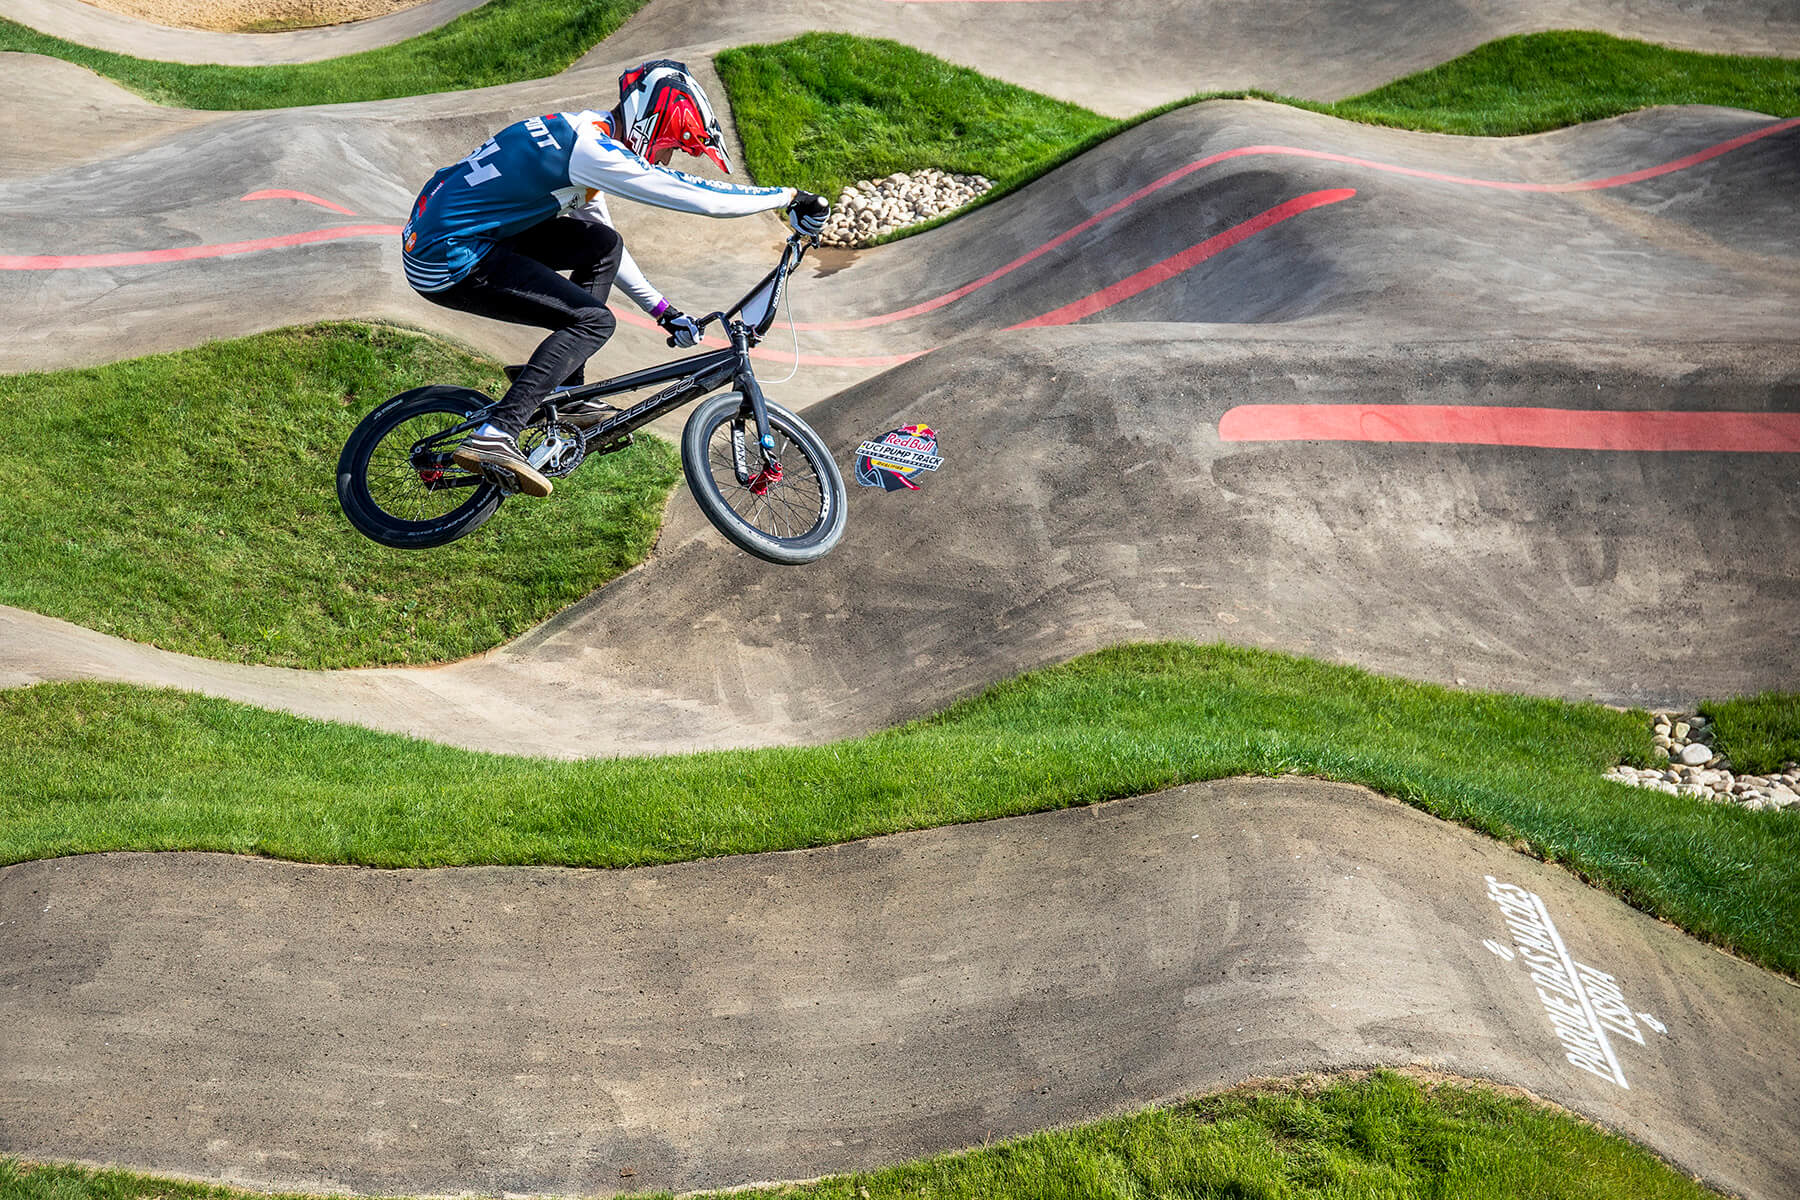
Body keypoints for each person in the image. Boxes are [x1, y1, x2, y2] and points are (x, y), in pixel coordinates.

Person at [400, 59, 830, 497]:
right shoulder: (594, 153)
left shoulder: (581, 138)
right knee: (594, 321)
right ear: (653, 124)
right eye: (671, 147)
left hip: (457, 236)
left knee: (602, 243)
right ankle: (495, 435)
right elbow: (697, 197)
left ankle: (566, 392)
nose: (666, 159)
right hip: (448, 256)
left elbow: (605, 248)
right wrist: (789, 196)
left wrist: (663, 312)